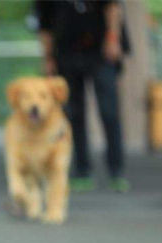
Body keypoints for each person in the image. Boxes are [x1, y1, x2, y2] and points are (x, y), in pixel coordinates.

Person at [35, 0, 131, 193]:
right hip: (66, 52)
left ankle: (116, 170)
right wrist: (48, 58)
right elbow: (45, 24)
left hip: (101, 51)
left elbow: (113, 7)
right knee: (73, 113)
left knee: (109, 111)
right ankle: (82, 169)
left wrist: (113, 38)